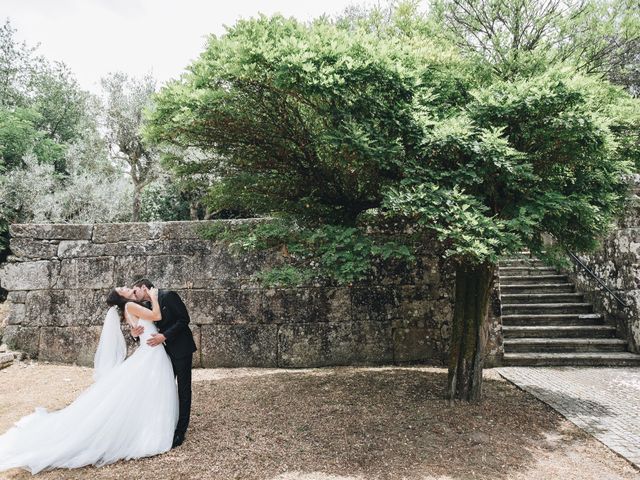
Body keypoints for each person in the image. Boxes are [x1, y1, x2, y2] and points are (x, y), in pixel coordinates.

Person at [0, 286, 178, 475]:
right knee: (148, 391)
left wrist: (136, 330)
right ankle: (147, 433)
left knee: (146, 392)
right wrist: (153, 297)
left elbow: (139, 330)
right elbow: (156, 316)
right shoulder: (131, 307)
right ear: (121, 297)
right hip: (151, 354)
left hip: (151, 353)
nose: (126, 287)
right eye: (122, 289)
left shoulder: (130, 308)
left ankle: (147, 427)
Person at [129, 278, 197, 448]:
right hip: (162, 354)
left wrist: (164, 336)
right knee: (162, 387)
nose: (134, 295)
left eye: (136, 291)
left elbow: (184, 320)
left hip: (181, 349)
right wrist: (134, 333)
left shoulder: (169, 296)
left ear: (144, 287)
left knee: (183, 389)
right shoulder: (147, 304)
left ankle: (180, 431)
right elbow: (145, 326)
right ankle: (164, 423)